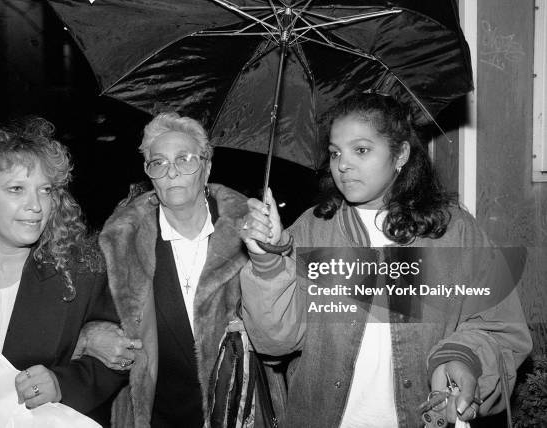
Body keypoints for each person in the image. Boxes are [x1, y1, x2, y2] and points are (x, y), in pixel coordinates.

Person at [240, 93, 532, 427]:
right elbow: (275, 341)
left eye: (360, 150)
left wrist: (464, 357)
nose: (343, 164)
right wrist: (267, 261)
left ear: (401, 154)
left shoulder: (454, 232)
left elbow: (501, 328)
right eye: (335, 153)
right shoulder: (312, 229)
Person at [0, 117, 127, 426]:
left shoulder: (80, 273)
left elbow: (117, 361)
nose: (36, 206)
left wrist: (62, 384)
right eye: (16, 189)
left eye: (45, 190)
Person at [98, 112, 262, 428]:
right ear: (149, 174)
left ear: (207, 167)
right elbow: (91, 317)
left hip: (238, 412)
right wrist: (90, 336)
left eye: (185, 159)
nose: (172, 171)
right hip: (156, 415)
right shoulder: (120, 243)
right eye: (158, 163)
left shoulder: (250, 231)